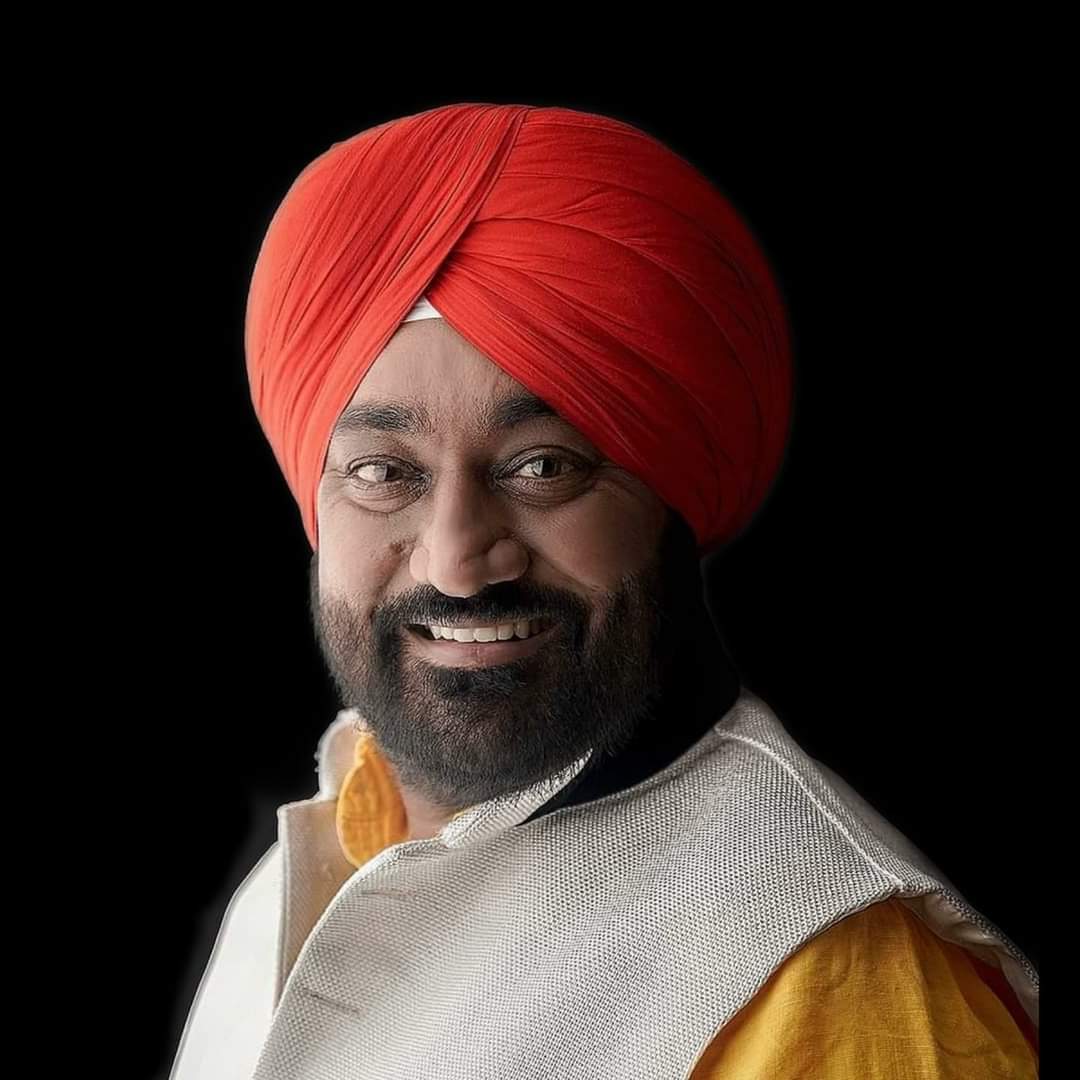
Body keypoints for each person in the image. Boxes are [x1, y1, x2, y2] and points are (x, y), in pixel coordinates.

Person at [170, 103, 1039, 1079]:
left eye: (542, 467)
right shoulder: (310, 856)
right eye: (383, 472)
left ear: (668, 495)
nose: (456, 561)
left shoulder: (831, 981)